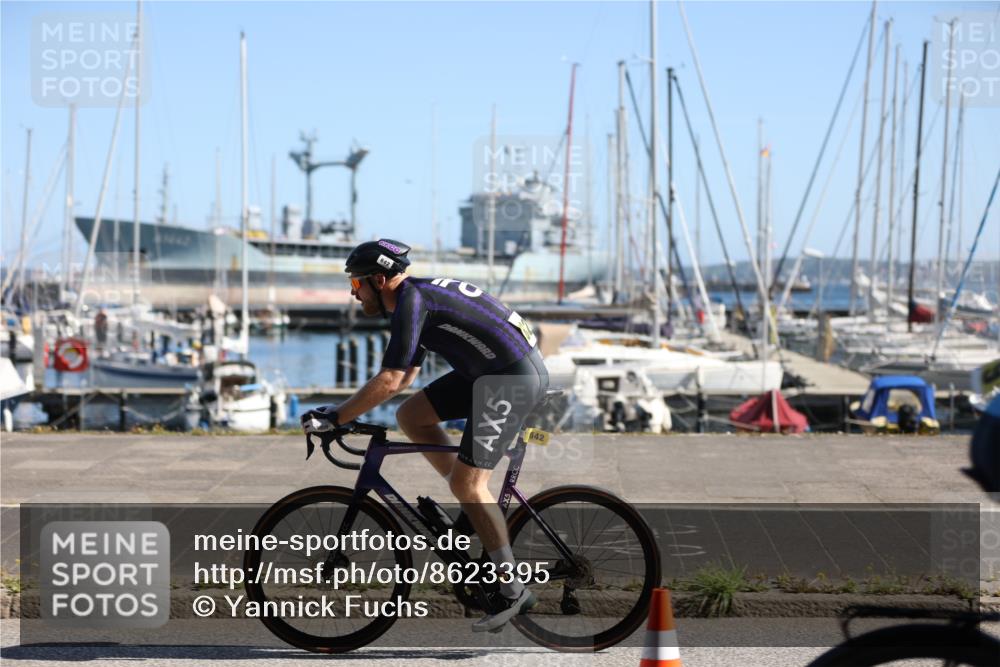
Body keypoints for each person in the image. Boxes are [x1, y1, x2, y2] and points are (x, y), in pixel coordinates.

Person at [301, 238, 548, 632]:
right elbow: (405, 378)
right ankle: (470, 508)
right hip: (490, 373)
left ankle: (513, 589)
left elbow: (391, 379)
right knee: (411, 416)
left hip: (510, 379)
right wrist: (344, 413)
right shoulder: (411, 300)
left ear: (379, 280)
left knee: (469, 484)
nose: (353, 294)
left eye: (356, 284)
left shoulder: (413, 302)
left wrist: (337, 416)